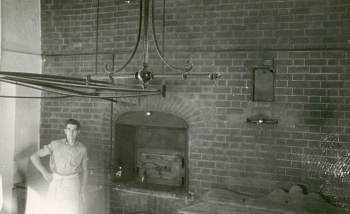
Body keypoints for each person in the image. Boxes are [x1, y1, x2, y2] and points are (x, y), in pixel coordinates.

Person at [30, 119, 89, 214]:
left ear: (78, 132)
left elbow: (85, 170)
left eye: (74, 130)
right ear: (65, 131)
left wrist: (83, 189)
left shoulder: (82, 149)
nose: (71, 132)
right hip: (56, 183)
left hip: (73, 184)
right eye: (69, 129)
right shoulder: (55, 144)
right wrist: (44, 172)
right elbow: (34, 156)